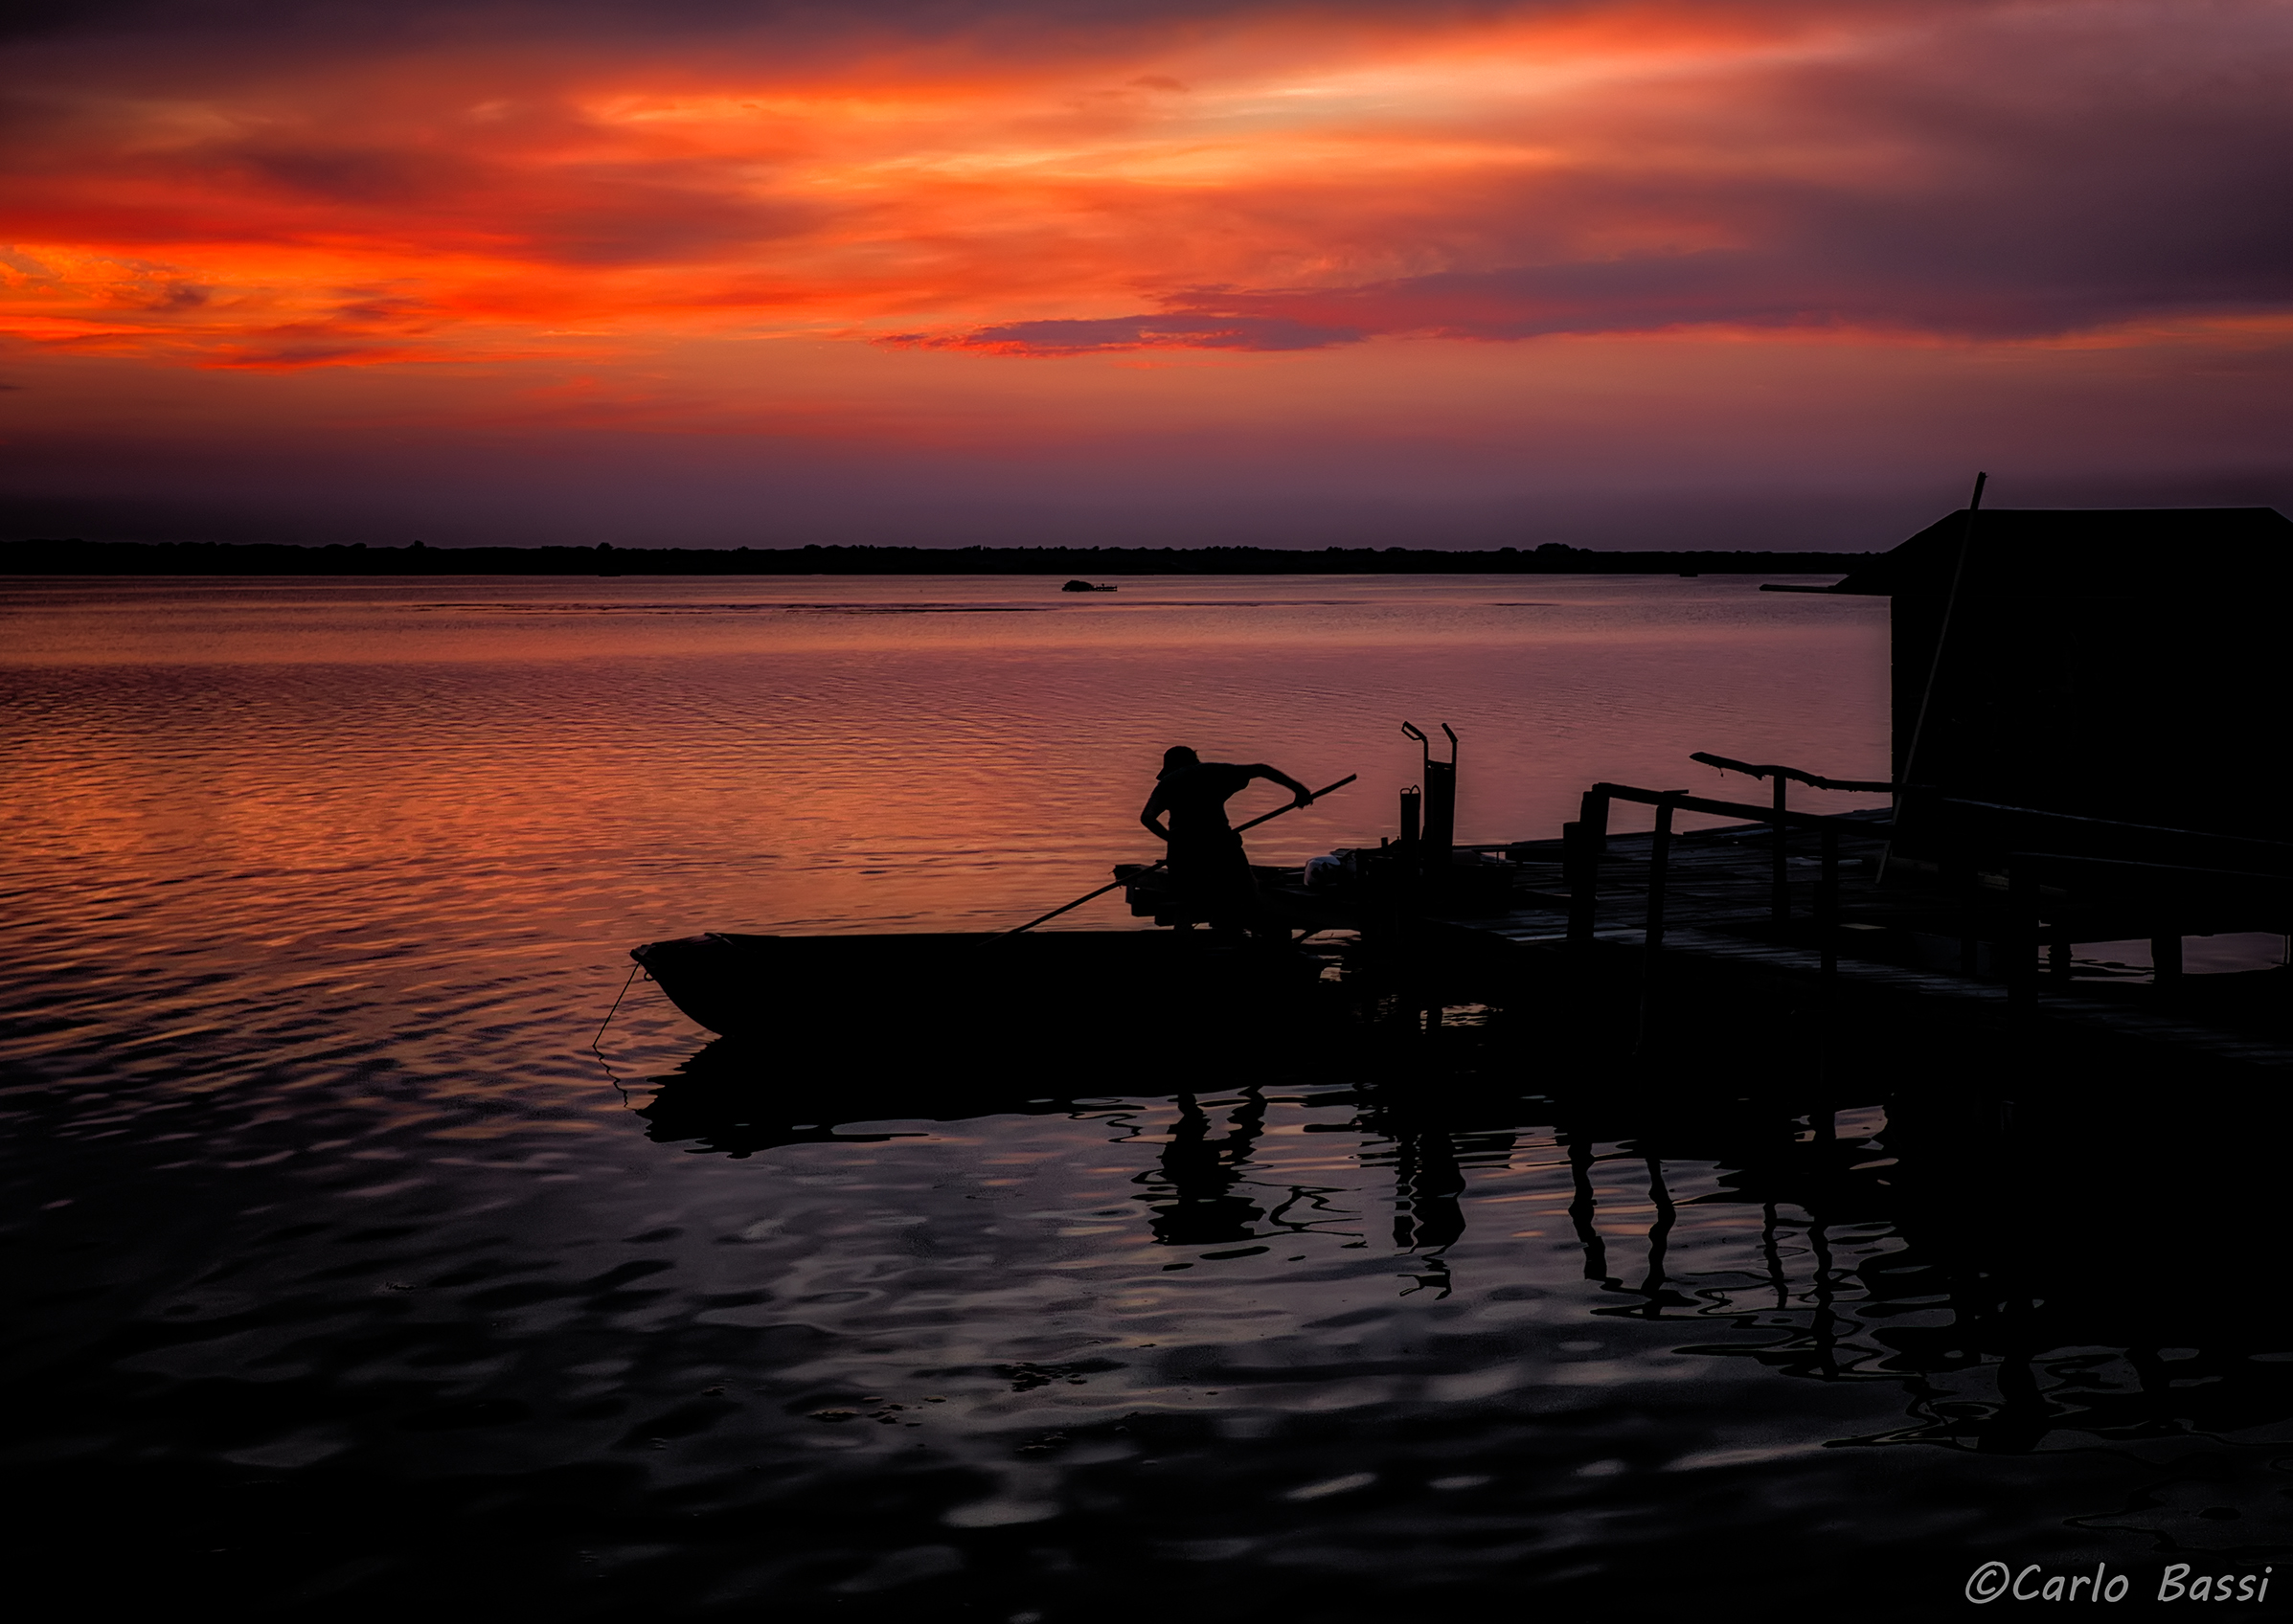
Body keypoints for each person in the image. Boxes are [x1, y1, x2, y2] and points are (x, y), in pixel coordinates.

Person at [1139, 747, 1314, 935]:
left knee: (1186, 902)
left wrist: (1172, 839)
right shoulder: (1216, 772)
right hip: (1221, 844)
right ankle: (1249, 934)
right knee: (1248, 894)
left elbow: (1147, 818)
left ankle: (1189, 939)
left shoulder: (1167, 783)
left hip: (1184, 852)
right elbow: (1262, 769)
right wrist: (1298, 789)